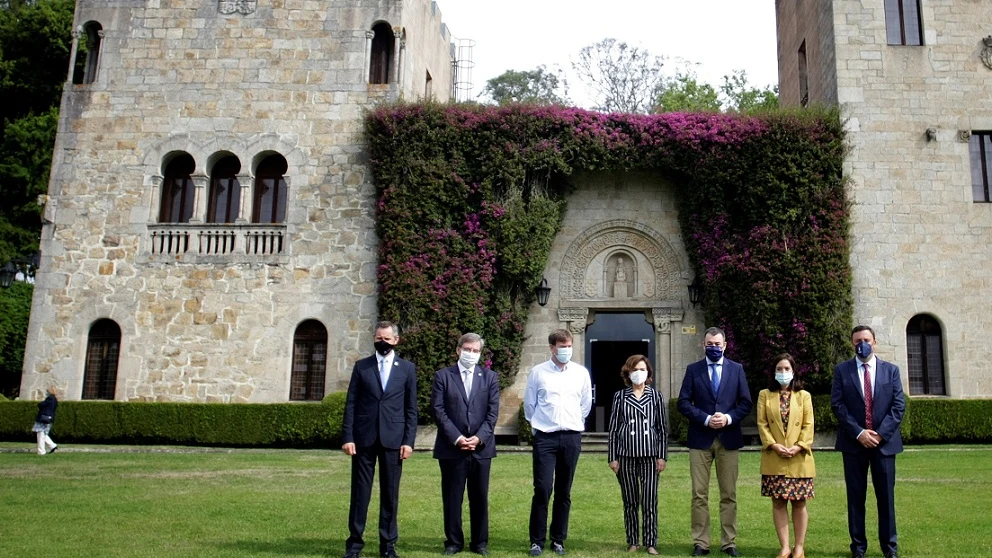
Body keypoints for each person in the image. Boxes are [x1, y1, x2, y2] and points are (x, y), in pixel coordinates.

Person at [341, 321, 418, 558]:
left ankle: (388, 545)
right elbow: (351, 404)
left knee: (390, 494)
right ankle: (355, 545)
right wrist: (348, 436)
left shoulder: (406, 369)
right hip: (364, 439)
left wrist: (408, 441)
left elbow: (411, 409)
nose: (382, 342)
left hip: (393, 441)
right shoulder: (362, 367)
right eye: (378, 338)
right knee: (360, 493)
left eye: (386, 339)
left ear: (396, 340)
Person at [677, 326, 752, 557]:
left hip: (728, 439)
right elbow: (683, 402)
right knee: (699, 494)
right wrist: (707, 418)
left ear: (725, 346)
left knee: (728, 494)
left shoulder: (737, 369)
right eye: (710, 344)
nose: (714, 347)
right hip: (700, 439)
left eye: (718, 344)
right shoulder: (693, 370)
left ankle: (729, 542)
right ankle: (701, 542)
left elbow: (745, 402)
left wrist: (728, 417)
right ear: (703, 345)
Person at [831, 326, 905, 558]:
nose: (861, 344)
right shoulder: (842, 371)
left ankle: (889, 548)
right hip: (854, 445)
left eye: (866, 339)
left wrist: (880, 434)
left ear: (875, 342)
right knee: (855, 498)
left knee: (886, 498)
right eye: (857, 341)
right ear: (852, 343)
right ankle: (858, 548)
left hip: (884, 445)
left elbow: (898, 406)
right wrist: (859, 433)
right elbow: (838, 406)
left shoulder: (890, 371)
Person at [524, 329, 593, 557]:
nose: (566, 350)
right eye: (562, 346)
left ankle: (558, 539)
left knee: (564, 490)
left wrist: (573, 422)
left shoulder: (580, 373)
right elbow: (530, 405)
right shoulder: (538, 373)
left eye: (569, 346)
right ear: (552, 347)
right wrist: (539, 427)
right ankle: (536, 540)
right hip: (545, 436)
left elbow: (585, 403)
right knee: (543, 489)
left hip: (571, 437)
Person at [431, 333, 501, 556]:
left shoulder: (490, 377)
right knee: (452, 496)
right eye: (467, 349)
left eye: (476, 351)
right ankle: (453, 541)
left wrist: (479, 437)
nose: (471, 354)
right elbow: (438, 410)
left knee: (479, 496)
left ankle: (480, 542)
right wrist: (458, 438)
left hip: (482, 448)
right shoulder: (443, 376)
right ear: (458, 350)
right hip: (452, 448)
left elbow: (492, 413)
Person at [607, 355, 668, 556]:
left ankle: (651, 542)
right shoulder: (620, 397)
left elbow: (661, 428)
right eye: (634, 369)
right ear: (628, 372)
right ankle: (633, 541)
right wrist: (612, 457)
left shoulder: (656, 396)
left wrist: (662, 456)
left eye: (642, 369)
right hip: (626, 455)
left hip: (650, 456)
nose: (638, 373)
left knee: (650, 500)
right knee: (630, 501)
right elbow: (614, 429)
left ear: (648, 372)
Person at [757, 354, 816, 558]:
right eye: (779, 369)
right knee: (778, 501)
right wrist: (773, 445)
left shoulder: (804, 396)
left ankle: (799, 547)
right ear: (774, 372)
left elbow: (809, 425)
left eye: (787, 369)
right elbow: (762, 423)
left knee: (799, 502)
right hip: (775, 457)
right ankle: (785, 547)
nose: (783, 373)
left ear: (793, 371)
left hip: (799, 458)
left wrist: (799, 446)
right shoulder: (765, 394)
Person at [32, 386, 59, 455]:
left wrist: (39, 404)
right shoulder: (55, 399)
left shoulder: (50, 399)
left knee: (40, 434)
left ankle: (41, 451)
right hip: (49, 418)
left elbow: (41, 405)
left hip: (44, 418)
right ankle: (52, 445)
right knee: (43, 434)